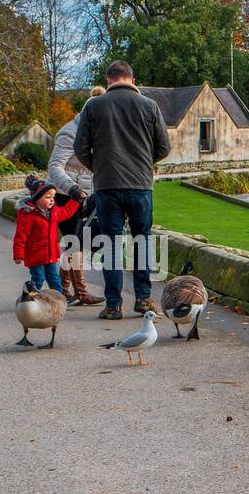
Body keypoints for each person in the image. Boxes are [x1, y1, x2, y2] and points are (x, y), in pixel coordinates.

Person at [73, 60, 171, 320]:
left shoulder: (94, 106)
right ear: (132, 79)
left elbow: (80, 148)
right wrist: (143, 163)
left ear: (108, 81)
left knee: (112, 245)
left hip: (107, 186)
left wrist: (100, 167)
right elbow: (164, 147)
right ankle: (142, 298)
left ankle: (114, 304)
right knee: (143, 241)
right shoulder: (149, 106)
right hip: (140, 185)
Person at [47, 85, 105, 305]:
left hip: (87, 196)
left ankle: (63, 290)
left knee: (76, 243)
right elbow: (55, 166)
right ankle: (79, 293)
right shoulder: (69, 132)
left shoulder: (98, 130)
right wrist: (72, 188)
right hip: (65, 194)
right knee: (76, 243)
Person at [13, 173, 78, 292]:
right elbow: (20, 236)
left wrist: (76, 200)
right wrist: (18, 254)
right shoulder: (28, 215)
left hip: (51, 254)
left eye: (53, 197)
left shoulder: (54, 212)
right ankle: (29, 297)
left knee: (54, 279)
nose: (52, 200)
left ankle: (59, 300)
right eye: (48, 197)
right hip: (35, 255)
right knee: (38, 278)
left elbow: (67, 212)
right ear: (37, 198)